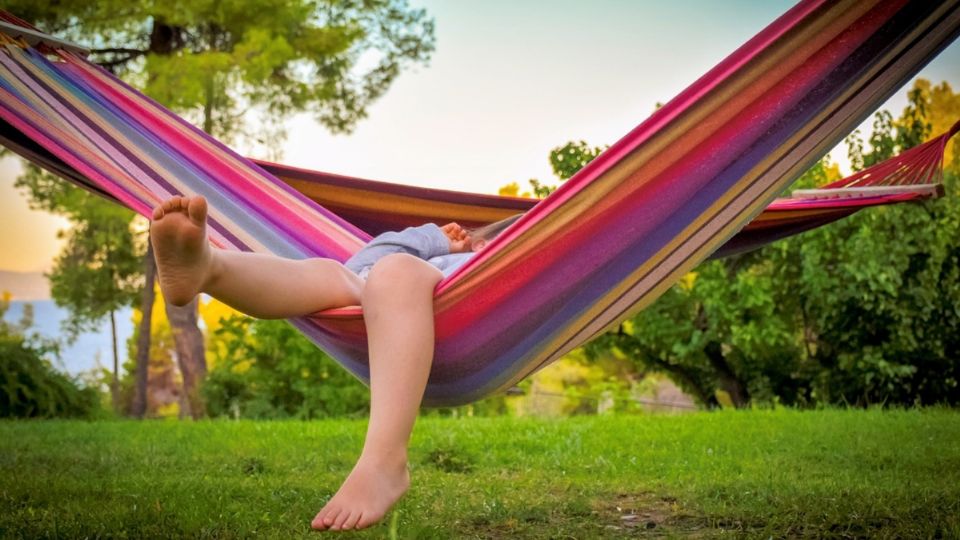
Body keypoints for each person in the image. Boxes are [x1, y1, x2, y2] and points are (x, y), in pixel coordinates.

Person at [149, 195, 521, 531]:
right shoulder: (446, 254)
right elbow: (363, 263)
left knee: (394, 270)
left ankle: (384, 460)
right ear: (483, 245)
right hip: (375, 303)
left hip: (449, 320)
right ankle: (208, 268)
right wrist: (433, 238)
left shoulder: (494, 280)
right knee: (334, 271)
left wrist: (398, 265)